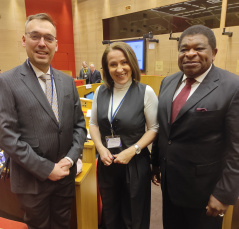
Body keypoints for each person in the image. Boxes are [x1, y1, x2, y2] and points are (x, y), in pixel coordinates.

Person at [0, 13, 87, 229]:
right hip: (32, 181)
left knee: (63, 225)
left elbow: (79, 126)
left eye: (48, 38)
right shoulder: (7, 81)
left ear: (56, 44)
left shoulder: (67, 82)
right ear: (23, 40)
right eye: (35, 36)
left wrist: (69, 159)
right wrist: (48, 169)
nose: (42, 43)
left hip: (65, 178)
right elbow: (7, 137)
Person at [151, 24, 239, 229]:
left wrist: (224, 193)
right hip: (170, 185)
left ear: (214, 53)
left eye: (198, 48)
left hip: (205, 193)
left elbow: (236, 148)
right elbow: (165, 129)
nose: (190, 54)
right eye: (184, 49)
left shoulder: (232, 87)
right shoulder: (168, 82)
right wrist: (155, 162)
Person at [89, 42, 159, 229]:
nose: (119, 69)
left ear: (132, 64)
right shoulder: (100, 91)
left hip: (135, 164)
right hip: (108, 163)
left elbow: (154, 128)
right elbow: (94, 124)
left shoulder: (146, 92)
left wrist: (133, 150)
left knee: (133, 217)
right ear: (106, 68)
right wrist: (100, 148)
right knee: (110, 214)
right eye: (113, 64)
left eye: (124, 62)